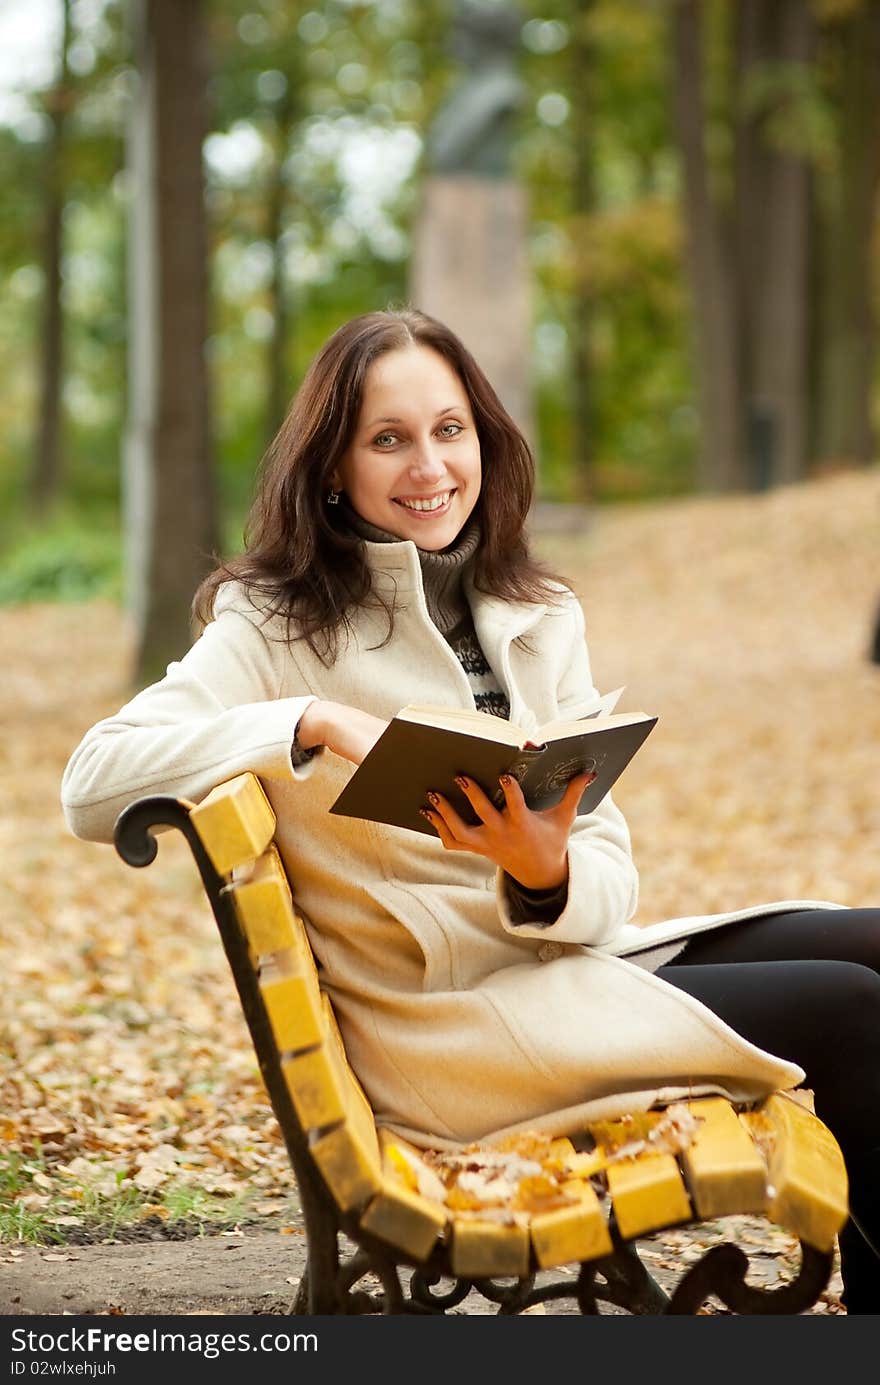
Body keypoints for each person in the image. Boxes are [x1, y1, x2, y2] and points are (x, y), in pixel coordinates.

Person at [61, 306, 880, 1313]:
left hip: (564, 965)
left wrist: (545, 873)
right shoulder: (273, 624)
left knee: (871, 943)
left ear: (483, 440)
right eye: (388, 439)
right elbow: (93, 777)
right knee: (852, 1009)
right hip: (451, 1029)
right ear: (335, 467)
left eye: (449, 430)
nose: (429, 467)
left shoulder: (536, 614)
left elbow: (610, 858)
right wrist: (309, 718)